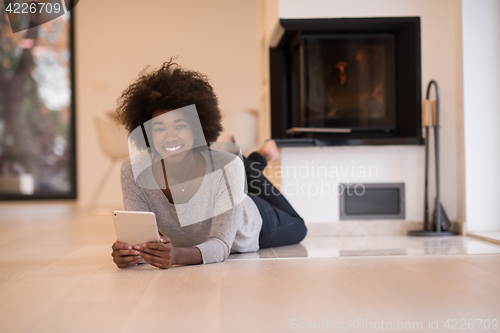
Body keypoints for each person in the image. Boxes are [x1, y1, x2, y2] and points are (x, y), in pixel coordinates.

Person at [111, 60, 307, 269]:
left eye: (180, 126)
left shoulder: (226, 169)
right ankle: (243, 159)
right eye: (159, 129)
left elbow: (222, 244)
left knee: (299, 227)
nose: (170, 137)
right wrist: (129, 253)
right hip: (223, 175)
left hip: (249, 223)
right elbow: (142, 242)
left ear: (196, 129)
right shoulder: (134, 171)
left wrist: (177, 256)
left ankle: (253, 161)